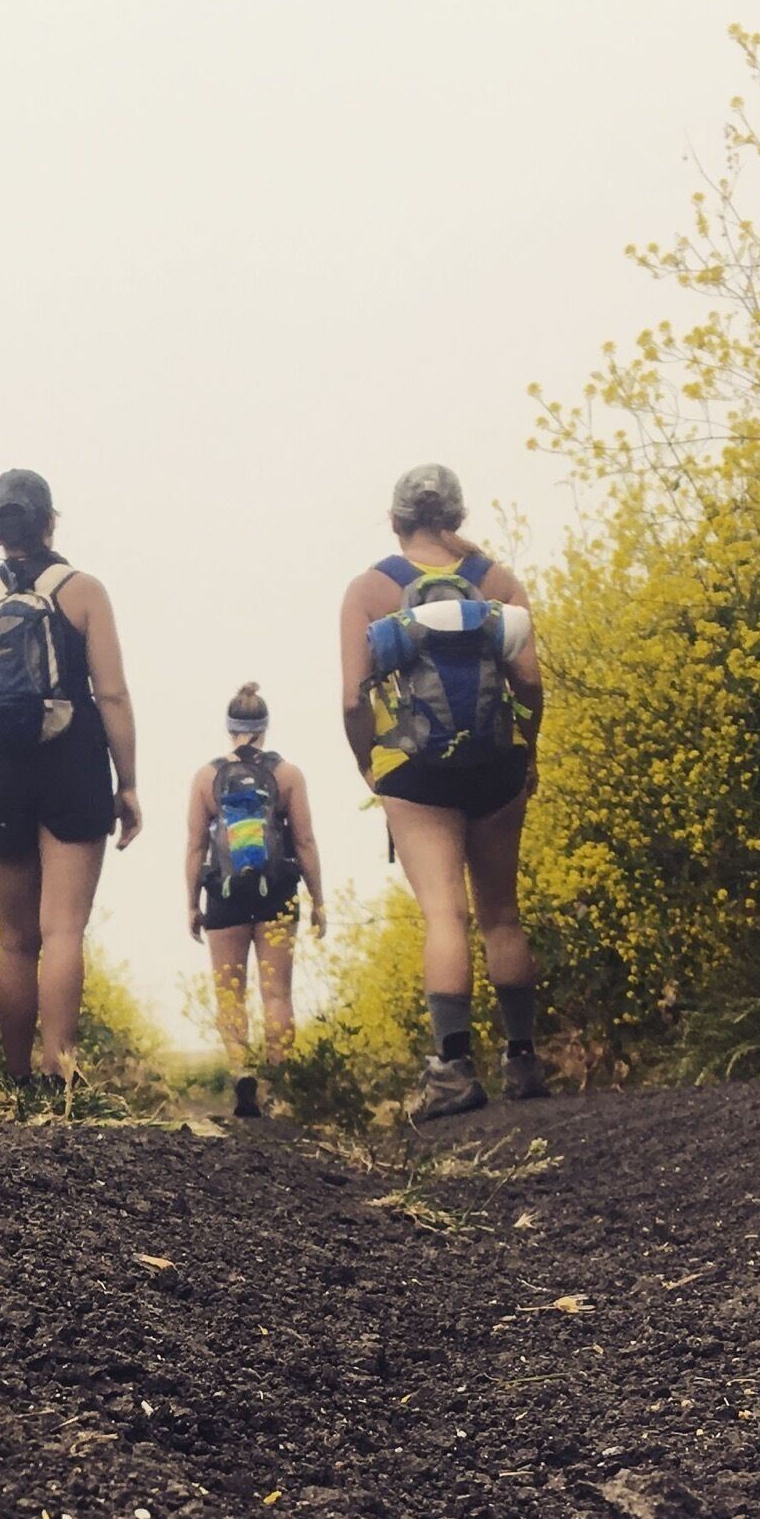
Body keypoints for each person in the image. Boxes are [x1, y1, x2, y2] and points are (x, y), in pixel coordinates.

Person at [338, 462, 549, 1120]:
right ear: (456, 517)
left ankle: (454, 1071)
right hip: (494, 761)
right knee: (502, 916)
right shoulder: (499, 581)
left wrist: (369, 766)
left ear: (397, 521)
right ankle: (523, 1060)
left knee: (443, 915)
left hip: (415, 770)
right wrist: (528, 750)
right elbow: (531, 686)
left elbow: (352, 698)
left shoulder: (370, 589)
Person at [0, 468, 142, 1096]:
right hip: (74, 762)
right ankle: (60, 1074)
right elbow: (110, 693)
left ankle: (13, 1079)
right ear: (51, 520)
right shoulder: (83, 592)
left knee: (14, 938)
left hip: (1, 766)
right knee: (62, 929)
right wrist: (128, 781)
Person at [185, 682, 325, 1118]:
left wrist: (191, 903)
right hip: (276, 892)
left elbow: (194, 847)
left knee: (231, 995)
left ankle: (243, 1071)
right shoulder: (287, 776)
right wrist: (318, 899)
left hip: (224, 898)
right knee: (277, 995)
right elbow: (303, 841)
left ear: (230, 728)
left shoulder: (206, 778)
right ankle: (280, 1091)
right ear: (264, 728)